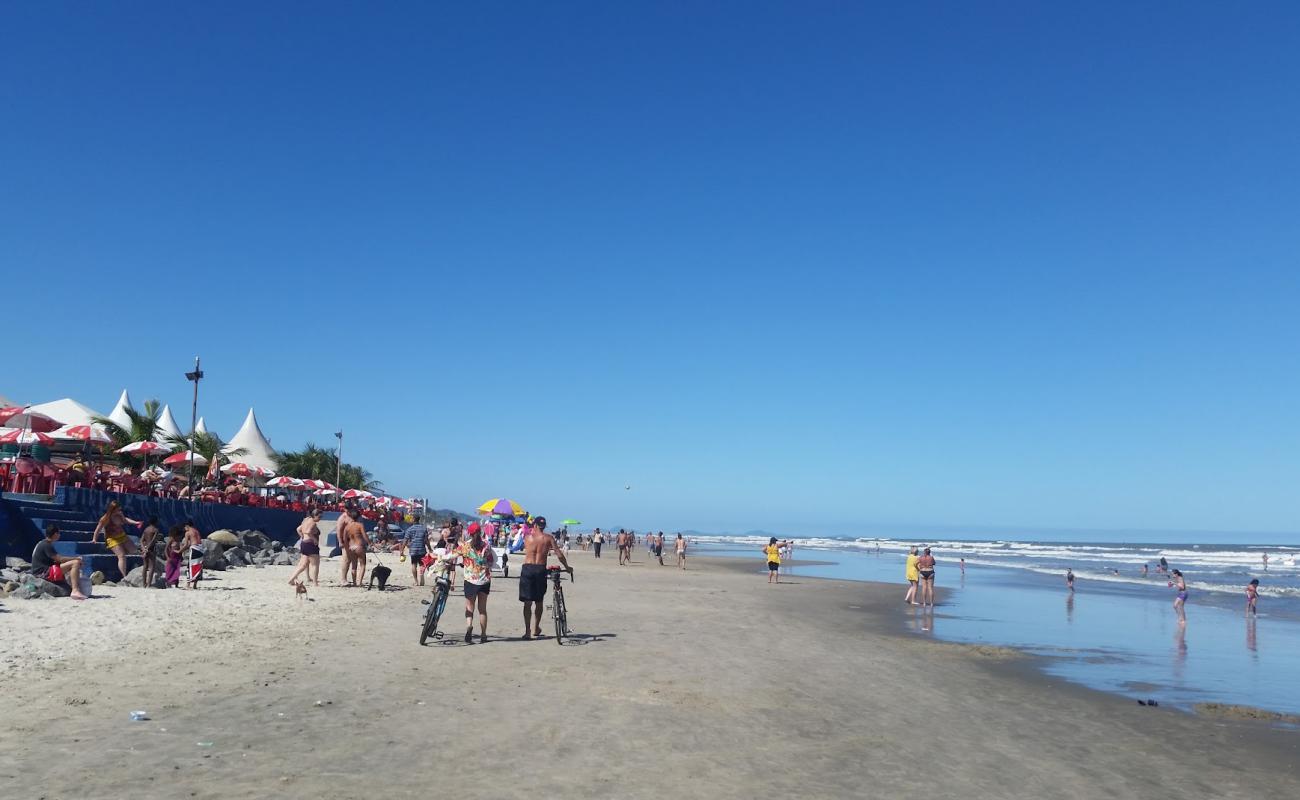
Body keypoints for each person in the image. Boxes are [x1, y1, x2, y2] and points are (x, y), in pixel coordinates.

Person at [518, 517, 572, 640]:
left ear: (535, 525)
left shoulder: (527, 537)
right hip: (540, 569)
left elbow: (520, 546)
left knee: (527, 602)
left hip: (527, 568)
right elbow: (559, 554)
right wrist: (567, 567)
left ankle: (527, 631)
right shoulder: (548, 538)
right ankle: (536, 628)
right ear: (544, 526)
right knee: (539, 601)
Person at [455, 522, 497, 644]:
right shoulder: (487, 545)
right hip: (484, 580)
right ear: (481, 532)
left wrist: (439, 557)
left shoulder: (465, 546)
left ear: (469, 533)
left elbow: (452, 555)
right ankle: (483, 635)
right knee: (482, 609)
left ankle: (469, 626)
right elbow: (491, 561)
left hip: (470, 581)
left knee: (469, 607)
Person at [30, 524, 88, 600]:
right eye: (58, 533)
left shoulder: (43, 543)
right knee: (75, 563)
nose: (59, 535)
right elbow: (60, 559)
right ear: (55, 534)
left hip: (40, 571)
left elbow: (56, 561)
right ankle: (75, 590)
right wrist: (76, 559)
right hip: (43, 573)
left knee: (72, 564)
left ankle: (74, 587)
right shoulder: (46, 545)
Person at [91, 500, 143, 582]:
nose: (120, 510)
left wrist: (135, 523)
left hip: (122, 536)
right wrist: (94, 538)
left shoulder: (120, 514)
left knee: (134, 550)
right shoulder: (105, 518)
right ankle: (124, 576)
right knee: (122, 556)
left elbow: (125, 520)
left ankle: (126, 555)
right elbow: (98, 529)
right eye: (118, 509)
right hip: (112, 539)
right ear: (113, 509)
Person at [288, 509, 323, 586]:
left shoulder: (306, 520)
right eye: (319, 517)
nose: (320, 518)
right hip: (310, 544)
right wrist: (314, 540)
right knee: (315, 564)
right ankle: (315, 583)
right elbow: (308, 531)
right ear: (315, 515)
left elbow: (298, 529)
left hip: (304, 543)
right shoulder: (313, 523)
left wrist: (303, 537)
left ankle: (291, 579)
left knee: (302, 565)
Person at [400, 515, 429, 586]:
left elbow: (405, 540)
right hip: (422, 549)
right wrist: (430, 548)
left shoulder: (409, 529)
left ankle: (416, 581)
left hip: (413, 549)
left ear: (413, 519)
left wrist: (402, 550)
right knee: (422, 564)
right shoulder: (424, 529)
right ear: (419, 520)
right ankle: (421, 577)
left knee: (414, 565)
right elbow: (426, 540)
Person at [342, 515, 369, 587]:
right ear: (358, 518)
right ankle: (359, 582)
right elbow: (364, 535)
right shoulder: (360, 525)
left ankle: (354, 583)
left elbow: (344, 539)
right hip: (359, 545)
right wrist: (370, 543)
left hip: (351, 546)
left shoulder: (347, 527)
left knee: (354, 566)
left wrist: (347, 548)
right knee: (362, 565)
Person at [139, 516, 161, 589]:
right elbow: (153, 541)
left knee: (145, 566)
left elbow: (141, 540)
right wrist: (148, 548)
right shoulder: (155, 530)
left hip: (145, 548)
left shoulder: (146, 529)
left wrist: (143, 548)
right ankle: (148, 584)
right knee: (152, 567)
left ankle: (143, 584)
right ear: (155, 522)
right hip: (151, 549)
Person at [335, 505, 355, 581]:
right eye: (348, 510)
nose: (349, 511)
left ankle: (351, 579)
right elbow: (339, 530)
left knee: (351, 559)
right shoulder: (342, 517)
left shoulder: (353, 515)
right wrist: (340, 541)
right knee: (346, 559)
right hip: (345, 539)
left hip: (353, 540)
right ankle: (343, 578)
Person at [182, 520, 203, 589]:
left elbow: (186, 545)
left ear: (187, 526)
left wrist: (180, 551)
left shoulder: (188, 532)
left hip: (194, 549)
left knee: (190, 566)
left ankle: (188, 585)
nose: (184, 528)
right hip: (200, 549)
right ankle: (195, 585)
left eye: (184, 527)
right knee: (198, 566)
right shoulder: (197, 531)